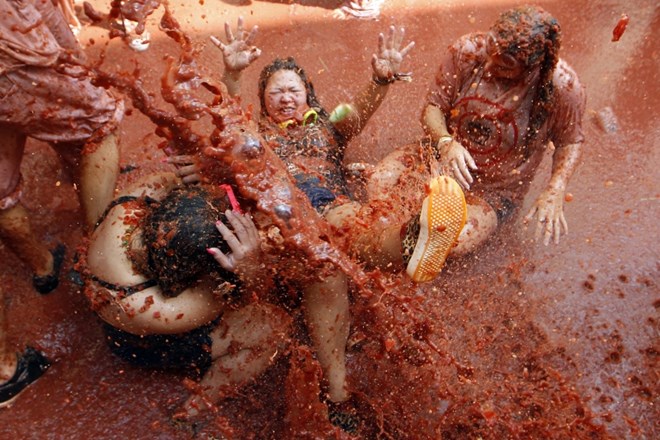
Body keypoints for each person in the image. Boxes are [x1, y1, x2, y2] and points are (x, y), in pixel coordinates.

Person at [190, 19, 467, 412]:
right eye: (276, 91)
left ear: (308, 95)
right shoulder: (258, 134)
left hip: (330, 208)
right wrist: (232, 73)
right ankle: (337, 392)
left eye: (293, 89)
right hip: (279, 220)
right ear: (263, 100)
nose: (286, 98)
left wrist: (379, 81)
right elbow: (232, 122)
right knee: (324, 261)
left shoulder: (326, 125)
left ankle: (411, 239)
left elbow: (352, 113)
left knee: (352, 224)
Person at [82, 172, 291, 419]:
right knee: (272, 327)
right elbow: (240, 297)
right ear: (198, 272)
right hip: (138, 341)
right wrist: (251, 267)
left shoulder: (132, 203)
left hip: (121, 291)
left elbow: (173, 175)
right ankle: (194, 409)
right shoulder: (156, 309)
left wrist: (205, 168)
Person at [0, 0, 123, 406]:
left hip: (24, 18)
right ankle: (98, 258)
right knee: (98, 122)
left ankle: (44, 265)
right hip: (11, 40)